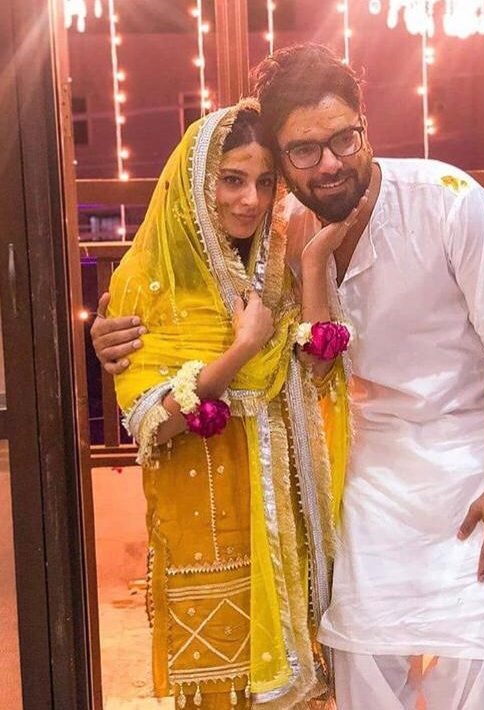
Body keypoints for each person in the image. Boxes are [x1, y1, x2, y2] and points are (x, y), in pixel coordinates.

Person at [95, 44, 484, 710]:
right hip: (368, 479)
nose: (330, 162)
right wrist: (110, 333)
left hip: (472, 464)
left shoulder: (449, 202)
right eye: (304, 150)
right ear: (282, 160)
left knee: (478, 665)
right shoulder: (280, 235)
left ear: (366, 127)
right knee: (361, 664)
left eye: (344, 138)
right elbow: (199, 298)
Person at [93, 98, 352, 709]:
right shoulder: (147, 279)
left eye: (264, 183)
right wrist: (243, 349)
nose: (249, 200)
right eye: (231, 180)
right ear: (195, 182)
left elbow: (319, 368)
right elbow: (152, 421)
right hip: (207, 528)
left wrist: (314, 261)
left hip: (285, 519)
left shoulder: (276, 269)